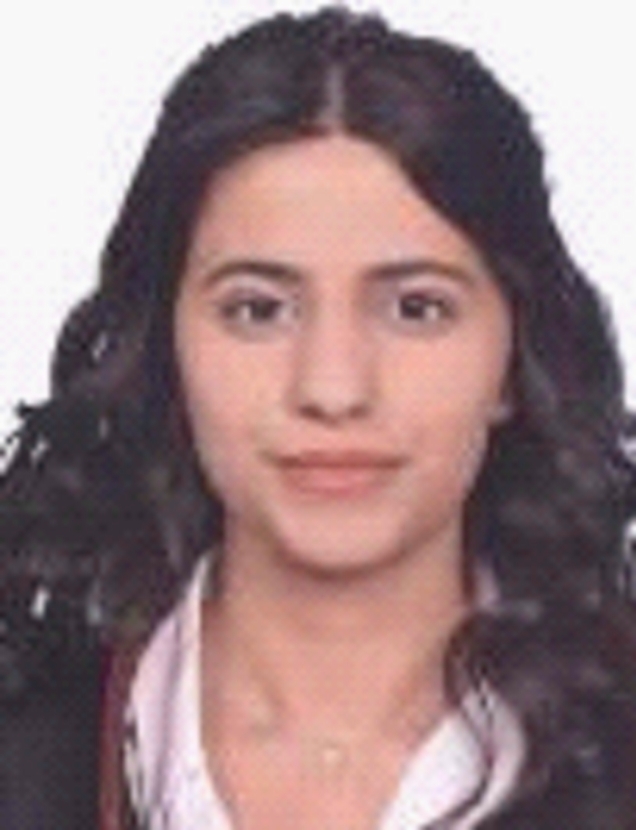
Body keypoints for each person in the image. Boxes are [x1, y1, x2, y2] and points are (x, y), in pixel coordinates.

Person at [1, 6, 635, 829]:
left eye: (416, 308)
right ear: (167, 349)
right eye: (258, 310)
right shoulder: (24, 747)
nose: (333, 390)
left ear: (515, 359)